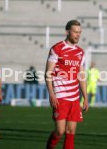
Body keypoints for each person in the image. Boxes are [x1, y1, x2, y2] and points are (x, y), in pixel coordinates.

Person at [45, 20, 89, 149]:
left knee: (71, 131)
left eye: (79, 32)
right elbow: (48, 73)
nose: (78, 35)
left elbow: (81, 75)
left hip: (75, 98)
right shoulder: (57, 49)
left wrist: (85, 97)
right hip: (60, 97)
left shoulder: (81, 52)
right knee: (60, 131)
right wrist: (51, 94)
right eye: (75, 32)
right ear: (67, 31)